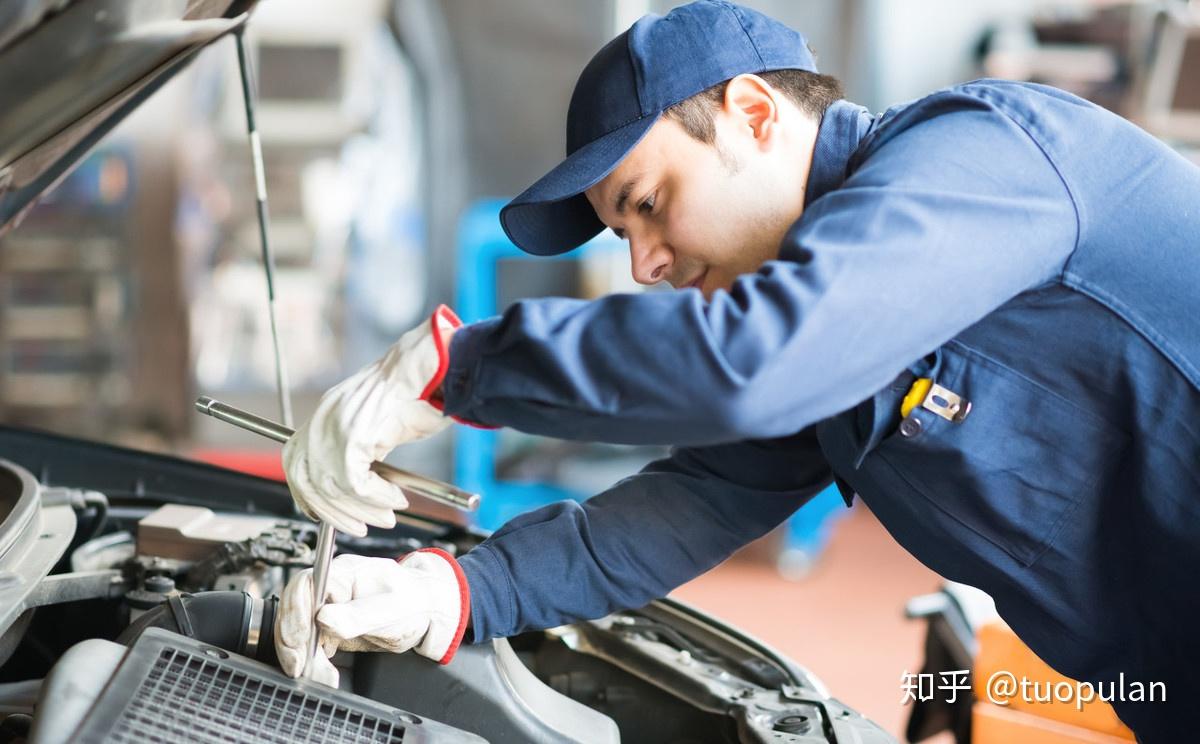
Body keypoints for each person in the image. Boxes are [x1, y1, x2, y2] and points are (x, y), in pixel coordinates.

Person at [273, 2, 1200, 739]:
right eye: (622, 232)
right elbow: (687, 507)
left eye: (649, 204)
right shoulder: (833, 333)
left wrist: (460, 367)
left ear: (752, 115)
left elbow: (755, 363)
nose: (644, 264)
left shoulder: (988, 154)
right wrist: (454, 592)